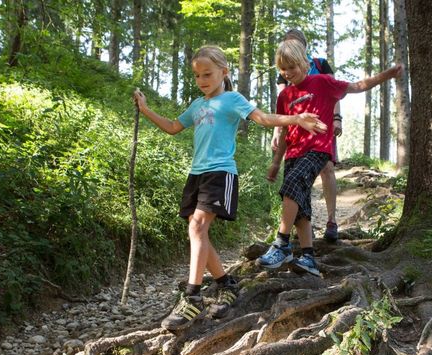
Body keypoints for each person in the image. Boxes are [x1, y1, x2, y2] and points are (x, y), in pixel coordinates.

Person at [133, 45, 327, 330]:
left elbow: (262, 118)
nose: (202, 80)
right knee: (197, 231)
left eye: (208, 74)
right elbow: (174, 126)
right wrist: (145, 109)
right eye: (197, 75)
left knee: (197, 227)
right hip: (196, 175)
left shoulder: (232, 99)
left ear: (224, 72)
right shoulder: (198, 105)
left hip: (220, 173)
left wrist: (296, 118)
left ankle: (193, 297)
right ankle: (226, 283)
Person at [258, 39, 402, 276]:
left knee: (291, 186)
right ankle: (308, 258)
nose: (287, 73)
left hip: (316, 150)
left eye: (292, 67)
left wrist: (386, 75)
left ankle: (282, 243)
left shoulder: (322, 82)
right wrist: (275, 162)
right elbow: (284, 130)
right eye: (282, 68)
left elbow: (357, 86)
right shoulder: (285, 96)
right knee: (301, 209)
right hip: (293, 153)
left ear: (305, 63)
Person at [271, 28, 342, 242]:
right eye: (287, 44)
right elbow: (282, 105)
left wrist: (337, 117)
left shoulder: (320, 65)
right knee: (298, 175)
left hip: (322, 124)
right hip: (296, 130)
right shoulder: (283, 70)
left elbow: (335, 92)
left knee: (327, 168)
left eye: (295, 44)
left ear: (304, 46)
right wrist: (277, 131)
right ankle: (304, 229)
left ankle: (331, 220)